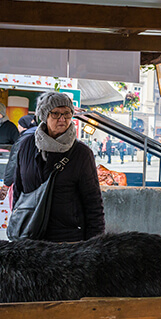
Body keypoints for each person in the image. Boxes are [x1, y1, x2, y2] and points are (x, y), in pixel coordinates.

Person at [13, 91, 105, 242]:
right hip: (30, 238)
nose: (62, 119)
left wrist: (95, 243)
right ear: (44, 116)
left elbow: (93, 202)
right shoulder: (26, 146)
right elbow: (18, 191)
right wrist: (18, 224)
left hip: (68, 241)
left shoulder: (81, 153)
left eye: (67, 114)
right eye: (55, 113)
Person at [0, 115, 39, 202]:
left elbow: (14, 162)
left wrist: (6, 184)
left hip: (23, 180)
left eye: (19, 124)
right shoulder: (40, 137)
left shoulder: (23, 140)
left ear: (23, 126)